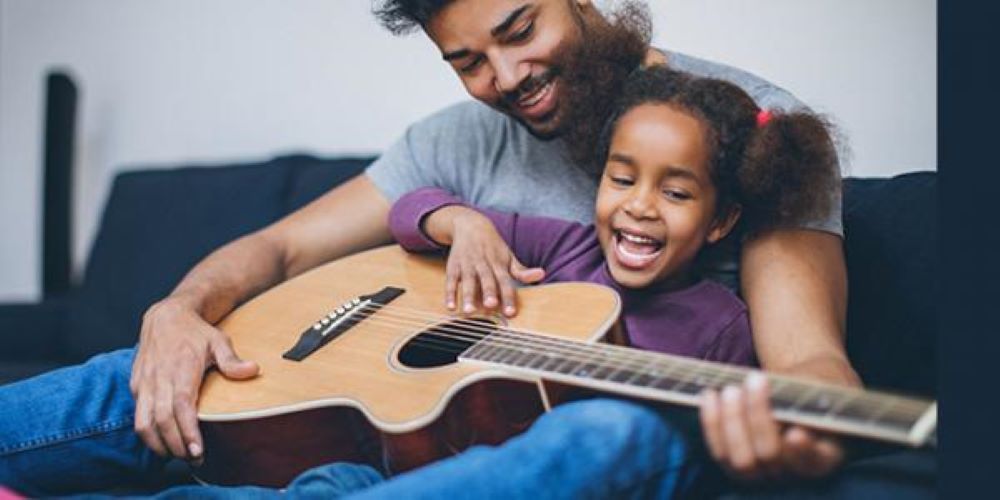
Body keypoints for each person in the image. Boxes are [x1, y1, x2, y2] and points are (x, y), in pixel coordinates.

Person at [0, 0, 854, 495]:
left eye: (520, 29)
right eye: (468, 61)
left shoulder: (743, 125)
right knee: (157, 367)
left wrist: (807, 435)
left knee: (609, 433)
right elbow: (282, 252)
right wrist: (179, 310)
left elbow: (806, 357)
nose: (506, 78)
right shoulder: (461, 142)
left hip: (517, 456)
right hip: (371, 421)